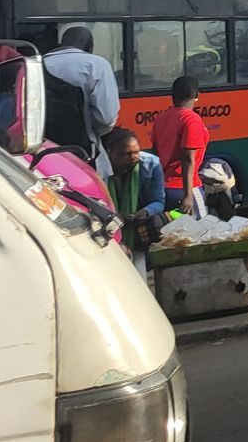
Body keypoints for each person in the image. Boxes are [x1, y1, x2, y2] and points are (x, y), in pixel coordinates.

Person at [42, 26, 120, 160]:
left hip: (42, 150)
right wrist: (88, 128)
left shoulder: (37, 63)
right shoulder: (96, 65)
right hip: (82, 150)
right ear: (89, 46)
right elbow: (106, 118)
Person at [103, 127, 165, 273]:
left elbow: (158, 201)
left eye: (136, 152)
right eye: (126, 154)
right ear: (110, 153)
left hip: (138, 231)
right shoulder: (99, 169)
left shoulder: (151, 164)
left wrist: (146, 212)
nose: (133, 158)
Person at [149, 76, 210, 219]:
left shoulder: (162, 118)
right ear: (197, 96)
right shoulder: (191, 119)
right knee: (200, 234)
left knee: (174, 236)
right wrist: (188, 196)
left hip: (164, 189)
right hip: (186, 188)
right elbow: (188, 159)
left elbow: (156, 153)